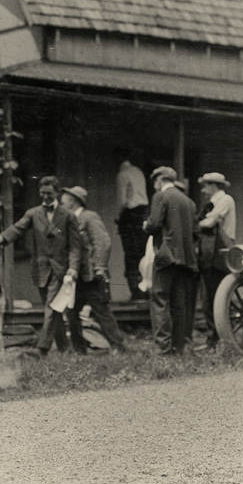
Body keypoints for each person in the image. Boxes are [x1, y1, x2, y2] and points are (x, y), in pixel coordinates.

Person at [0, 176, 81, 355]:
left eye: (49, 193)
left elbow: (76, 246)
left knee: (52, 307)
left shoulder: (67, 216)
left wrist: (73, 267)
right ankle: (65, 349)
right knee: (54, 308)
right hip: (41, 269)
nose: (45, 197)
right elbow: (18, 228)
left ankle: (42, 348)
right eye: (42, 193)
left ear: (57, 193)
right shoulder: (33, 213)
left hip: (61, 270)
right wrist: (0, 238)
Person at [60, 186, 128, 354]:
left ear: (73, 201)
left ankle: (118, 347)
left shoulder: (89, 217)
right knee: (71, 312)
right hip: (77, 276)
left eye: (65, 198)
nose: (62, 201)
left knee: (102, 311)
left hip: (91, 275)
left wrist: (100, 267)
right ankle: (78, 350)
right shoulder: (69, 219)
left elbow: (103, 242)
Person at [143, 167, 199, 356]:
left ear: (160, 180)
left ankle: (162, 349)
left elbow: (154, 224)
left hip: (166, 257)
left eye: (155, 182)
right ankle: (178, 348)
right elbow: (195, 233)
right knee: (179, 304)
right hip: (185, 260)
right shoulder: (189, 202)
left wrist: (146, 225)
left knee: (160, 301)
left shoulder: (161, 197)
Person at [196, 173, 236, 349]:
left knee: (217, 296)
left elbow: (210, 223)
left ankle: (221, 338)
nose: (204, 190)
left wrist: (197, 224)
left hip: (219, 252)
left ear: (214, 185)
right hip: (210, 252)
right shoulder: (211, 204)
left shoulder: (225, 200)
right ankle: (213, 339)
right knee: (208, 297)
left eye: (205, 186)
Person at [113, 147, 149, 300]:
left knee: (131, 253)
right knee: (141, 251)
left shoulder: (123, 174)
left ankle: (137, 292)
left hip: (131, 213)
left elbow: (122, 200)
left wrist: (119, 217)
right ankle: (142, 290)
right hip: (143, 213)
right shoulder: (138, 171)